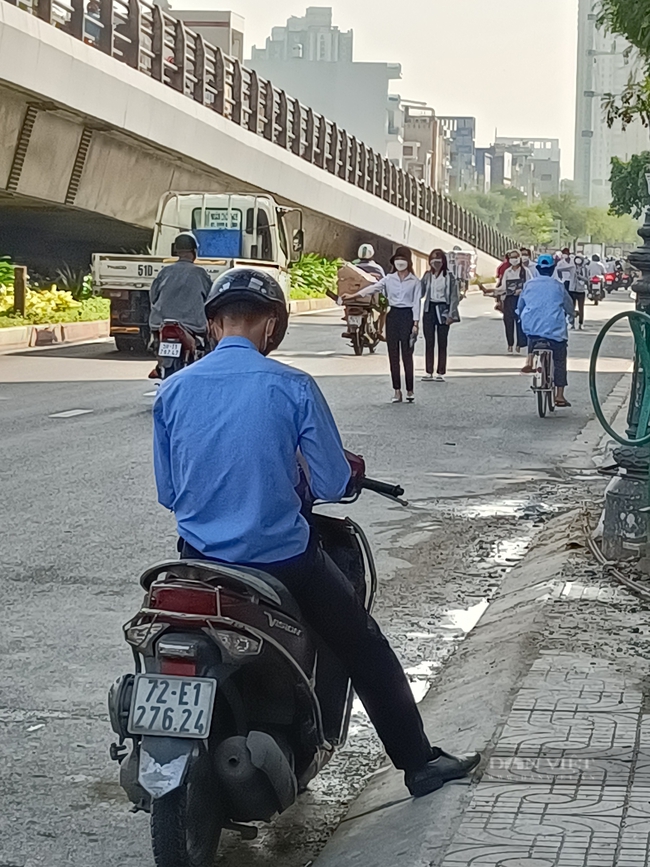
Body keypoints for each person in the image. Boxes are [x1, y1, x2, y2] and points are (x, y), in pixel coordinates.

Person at [152, 267, 480, 797]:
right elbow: (329, 480)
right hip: (281, 561)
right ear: (271, 327)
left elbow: (169, 493)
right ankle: (418, 764)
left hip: (198, 563)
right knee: (364, 645)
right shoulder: (292, 386)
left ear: (212, 326)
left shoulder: (174, 391)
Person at [344, 246, 421, 403]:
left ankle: (410, 390)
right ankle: (397, 391)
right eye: (397, 259)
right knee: (393, 355)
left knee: (407, 355)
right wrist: (353, 295)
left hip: (407, 317)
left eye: (403, 259)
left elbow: (416, 303)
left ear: (408, 262)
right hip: (393, 316)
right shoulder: (389, 279)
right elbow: (372, 289)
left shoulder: (415, 282)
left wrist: (415, 323)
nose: (400, 262)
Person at [519, 254, 575, 407]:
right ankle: (559, 395)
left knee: (532, 333)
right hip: (554, 330)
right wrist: (572, 314)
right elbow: (568, 305)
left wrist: (520, 314)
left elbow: (520, 305)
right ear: (552, 269)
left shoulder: (529, 285)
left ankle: (530, 359)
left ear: (538, 269)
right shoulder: (558, 285)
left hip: (533, 328)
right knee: (559, 360)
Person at [149, 232, 212, 338]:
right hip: (193, 325)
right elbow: (210, 297)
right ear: (194, 251)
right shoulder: (200, 273)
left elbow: (153, 296)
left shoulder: (165, 272)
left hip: (160, 323)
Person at [420, 249, 460, 382]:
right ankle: (428, 371)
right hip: (429, 309)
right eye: (433, 259)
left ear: (443, 261)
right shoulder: (427, 275)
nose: (435, 262)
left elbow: (455, 296)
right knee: (429, 341)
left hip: (443, 309)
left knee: (442, 342)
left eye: (438, 259)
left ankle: (441, 371)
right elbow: (420, 292)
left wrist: (451, 313)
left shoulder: (449, 276)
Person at [495, 250, 530, 353]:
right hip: (509, 299)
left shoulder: (525, 271)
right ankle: (510, 344)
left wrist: (522, 290)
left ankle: (520, 344)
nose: (513, 260)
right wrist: (496, 291)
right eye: (511, 257)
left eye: (515, 257)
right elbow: (504, 286)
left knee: (520, 322)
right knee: (508, 322)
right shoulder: (508, 271)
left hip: (521, 299)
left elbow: (530, 285)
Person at [571, 254, 589, 329]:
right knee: (571, 308)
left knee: (581, 308)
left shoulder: (585, 269)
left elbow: (587, 279)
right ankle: (571, 323)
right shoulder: (572, 268)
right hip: (572, 289)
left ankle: (580, 323)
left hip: (580, 290)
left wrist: (579, 276)